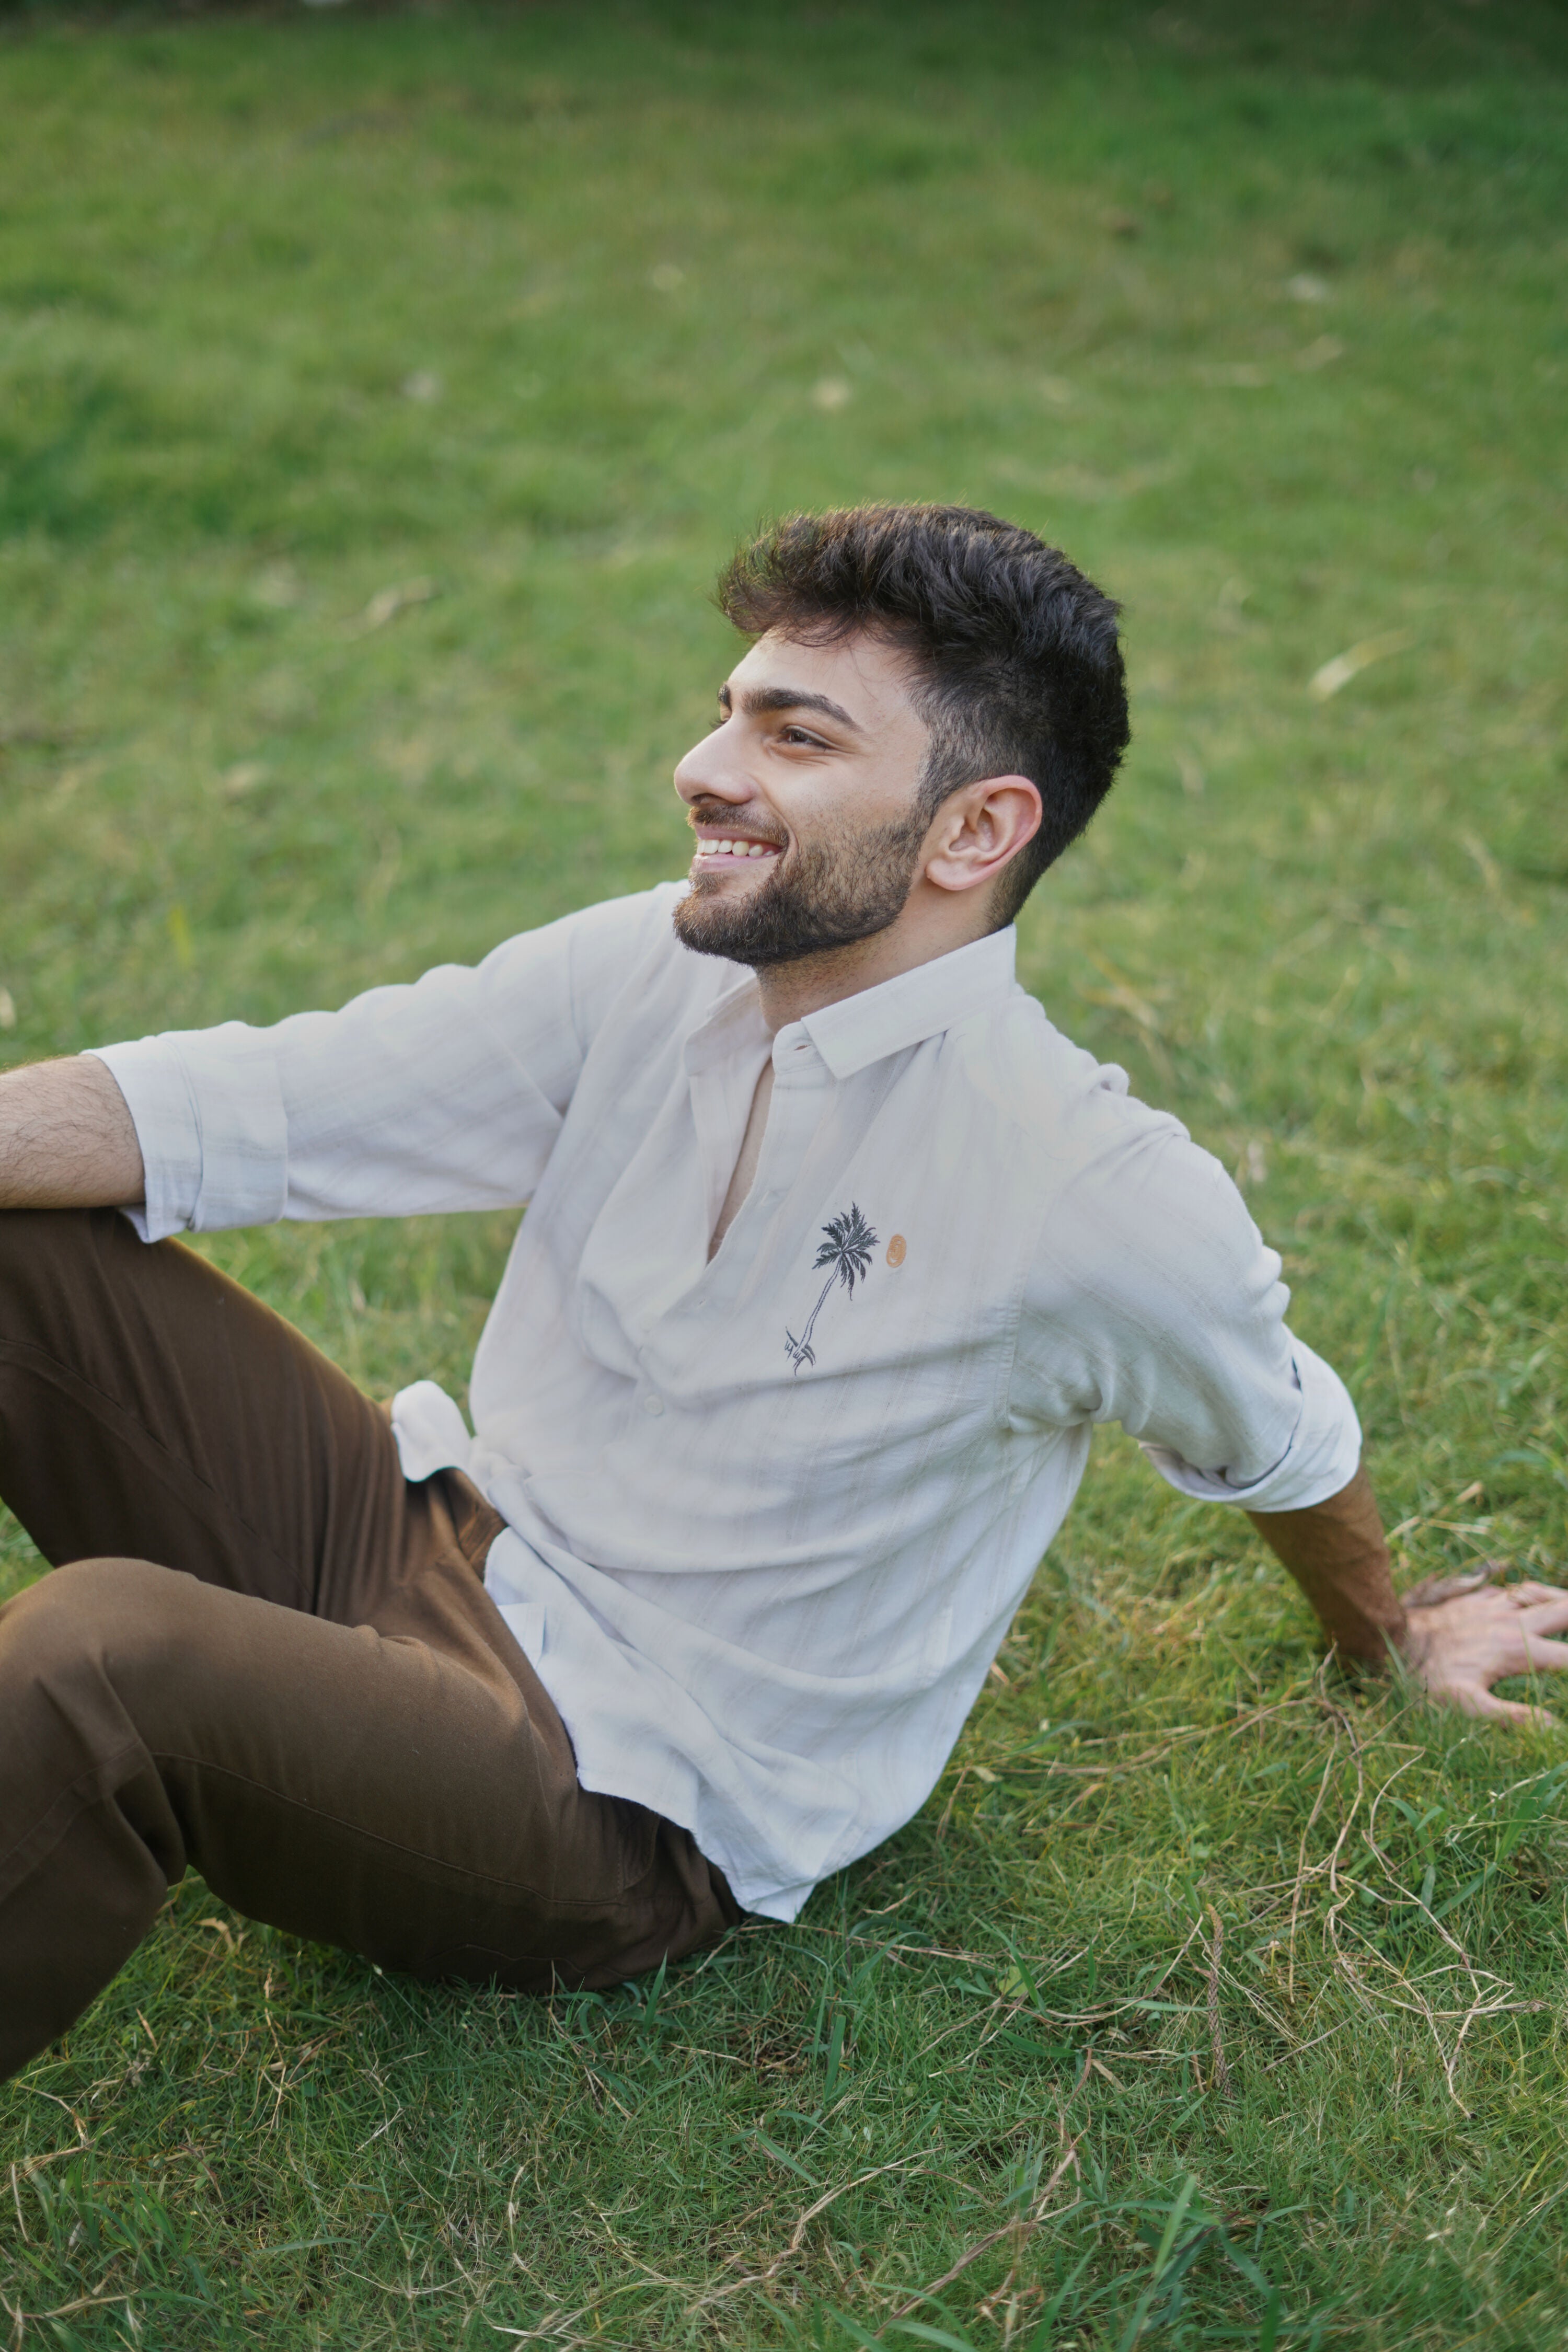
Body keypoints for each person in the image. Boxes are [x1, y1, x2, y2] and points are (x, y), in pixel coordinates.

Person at [2, 503, 1562, 2085]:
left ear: (974, 831)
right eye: (728, 710)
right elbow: (260, 1104)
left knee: (103, 1657)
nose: (703, 766)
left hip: (615, 1788)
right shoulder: (652, 965)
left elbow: (1283, 1434)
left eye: (796, 737)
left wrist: (1389, 1636)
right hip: (432, 1531)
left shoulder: (1090, 1193)